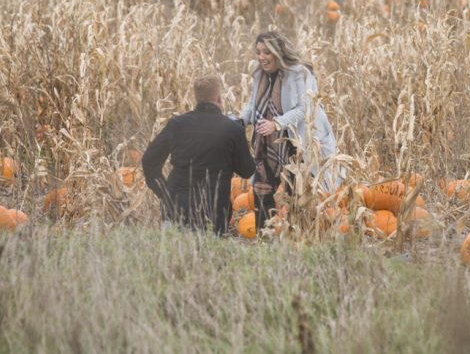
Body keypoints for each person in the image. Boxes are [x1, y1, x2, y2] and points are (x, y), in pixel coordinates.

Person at [240, 31, 337, 229]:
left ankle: (298, 236)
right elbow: (252, 105)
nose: (261, 57)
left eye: (266, 52)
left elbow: (305, 108)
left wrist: (277, 123)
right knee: (262, 188)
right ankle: (263, 237)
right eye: (258, 52)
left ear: (278, 52)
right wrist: (240, 121)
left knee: (296, 193)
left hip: (296, 141)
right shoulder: (259, 73)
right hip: (268, 141)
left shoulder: (299, 73)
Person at [142, 75, 255, 235]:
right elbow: (247, 170)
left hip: (176, 206)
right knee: (208, 258)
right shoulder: (232, 130)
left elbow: (149, 160)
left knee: (173, 257)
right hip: (213, 212)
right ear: (219, 98)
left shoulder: (177, 124)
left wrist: (164, 193)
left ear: (196, 98)